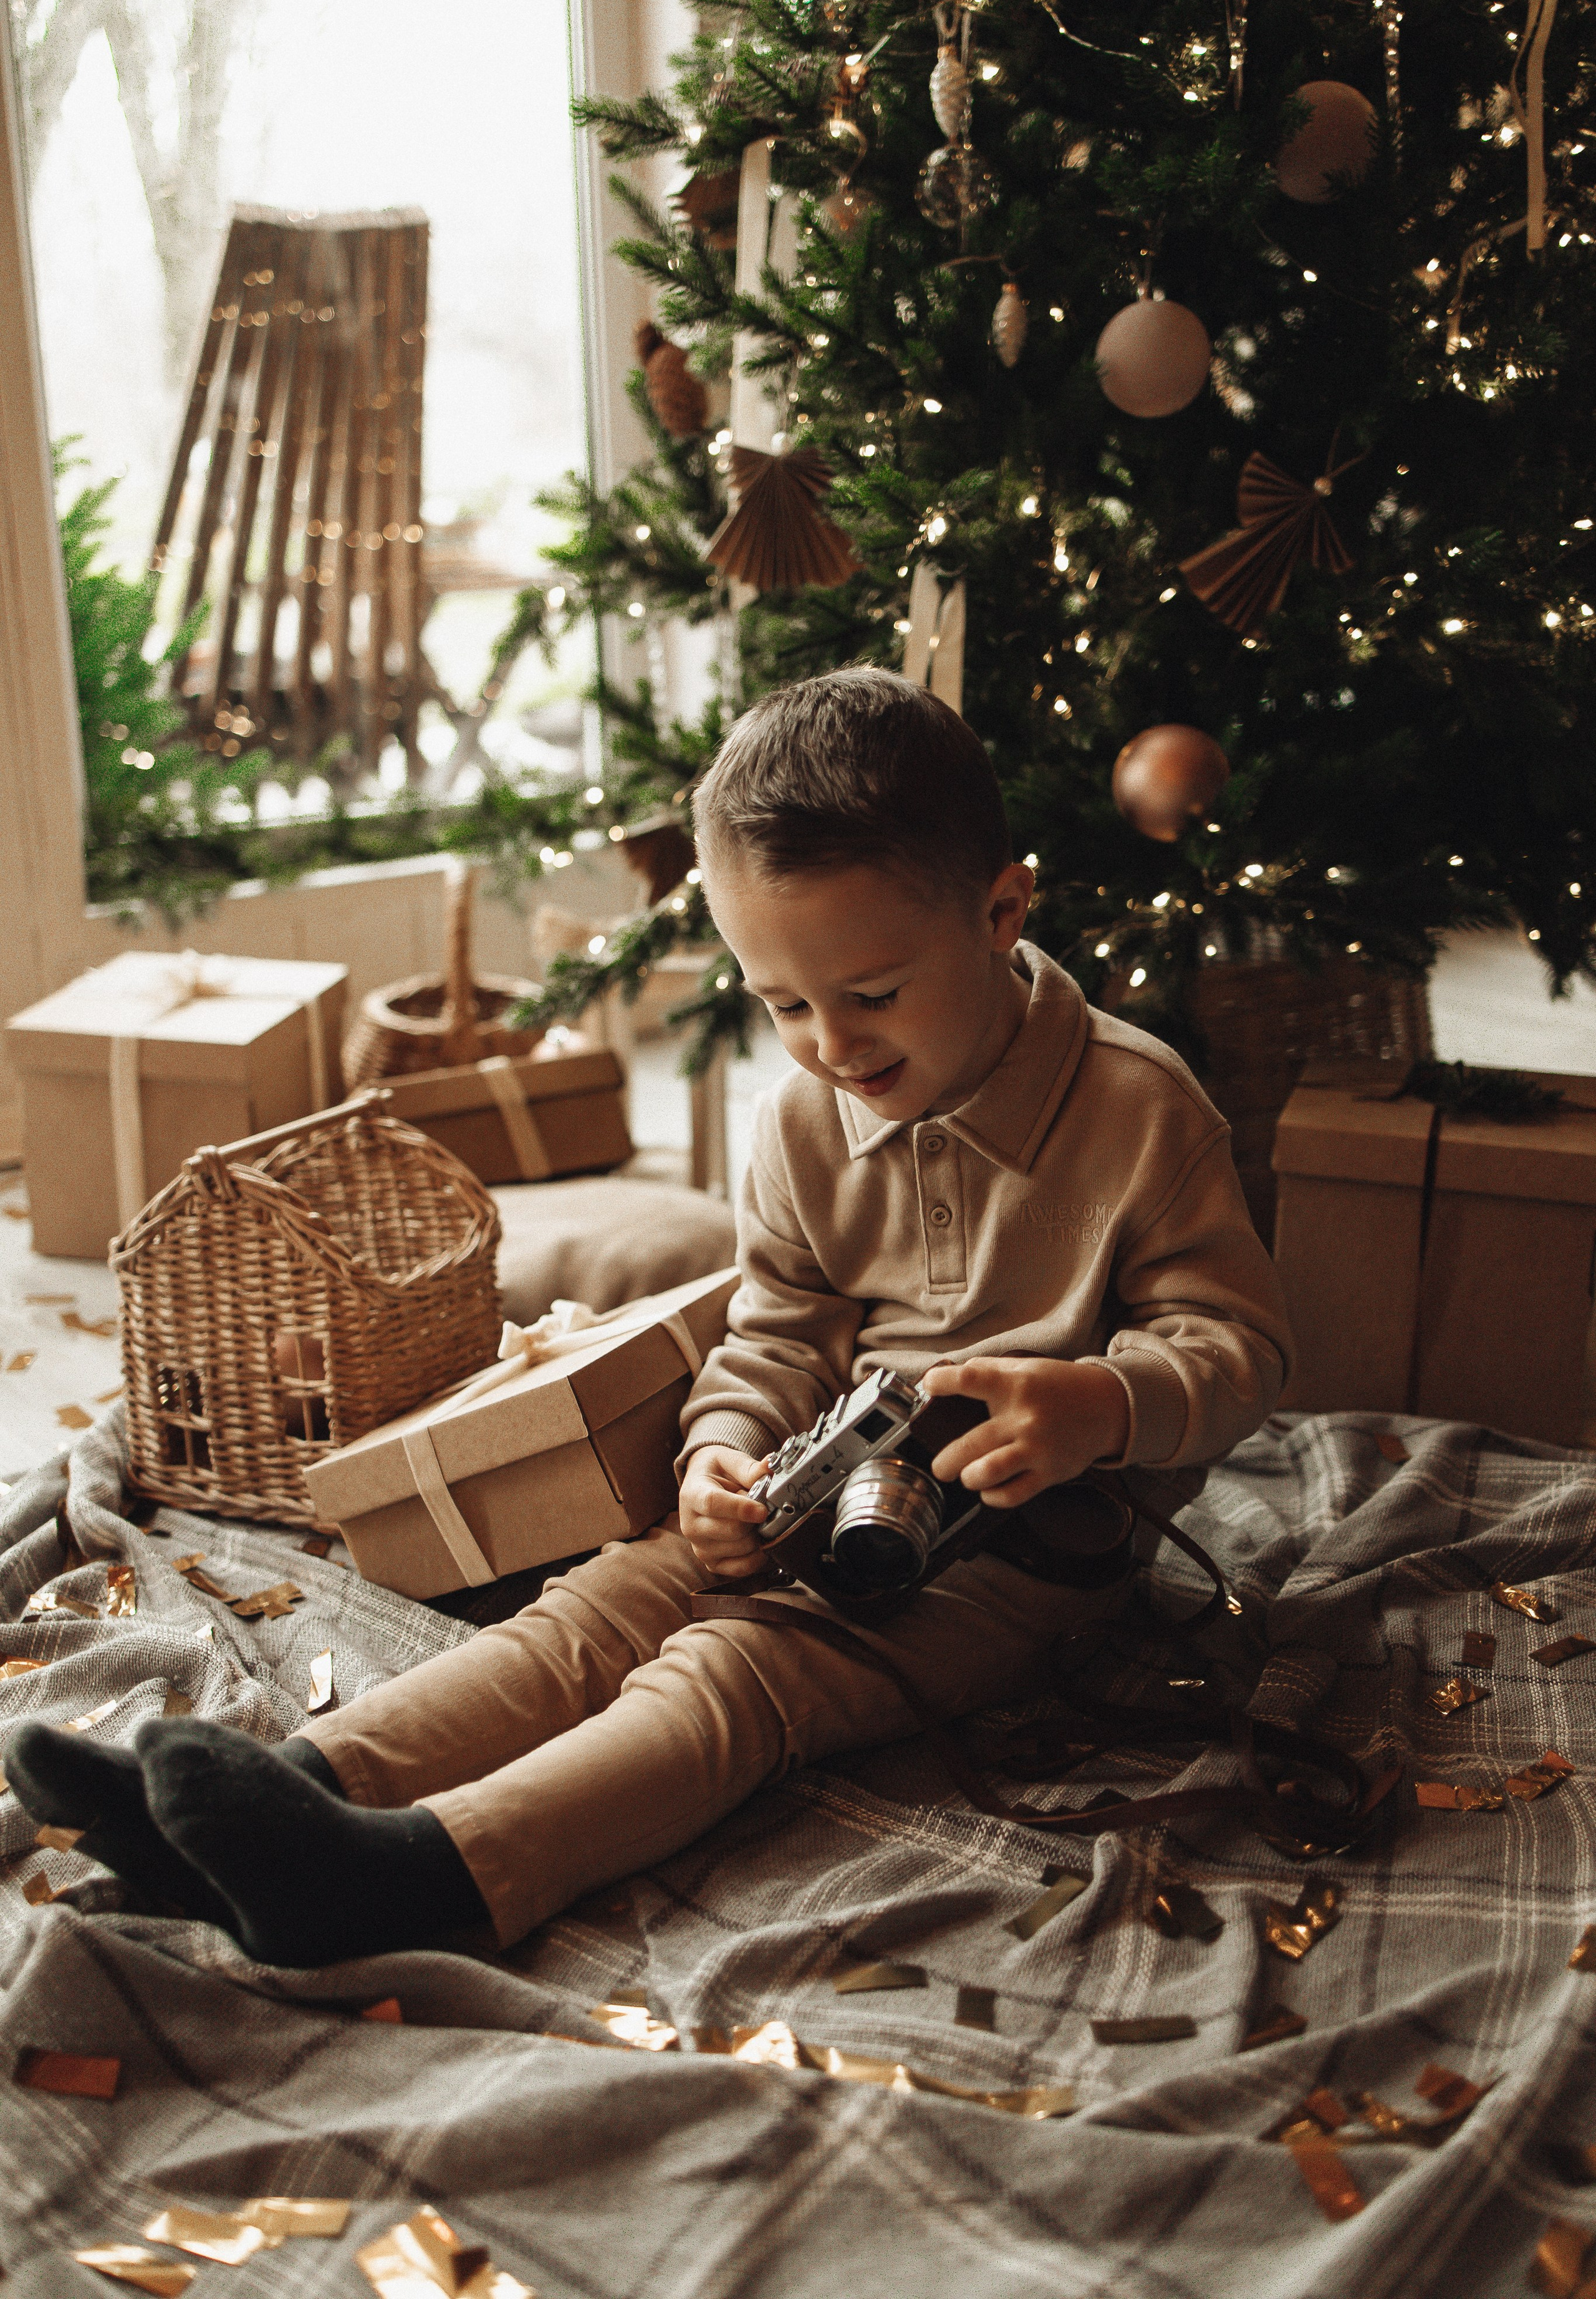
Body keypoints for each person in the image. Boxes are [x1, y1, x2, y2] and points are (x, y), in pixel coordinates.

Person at [2, 670, 1292, 1965]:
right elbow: (775, 1332)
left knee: (741, 1674)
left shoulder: (1141, 1109)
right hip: (823, 1488)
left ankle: (422, 1875)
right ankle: (285, 1791)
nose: (830, 1044)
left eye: (871, 994)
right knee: (597, 1605)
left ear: (1001, 908)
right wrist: (715, 1460)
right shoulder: (800, 1120)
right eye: (783, 1005)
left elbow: (1239, 1352)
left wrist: (1099, 1405)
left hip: (1030, 1556)